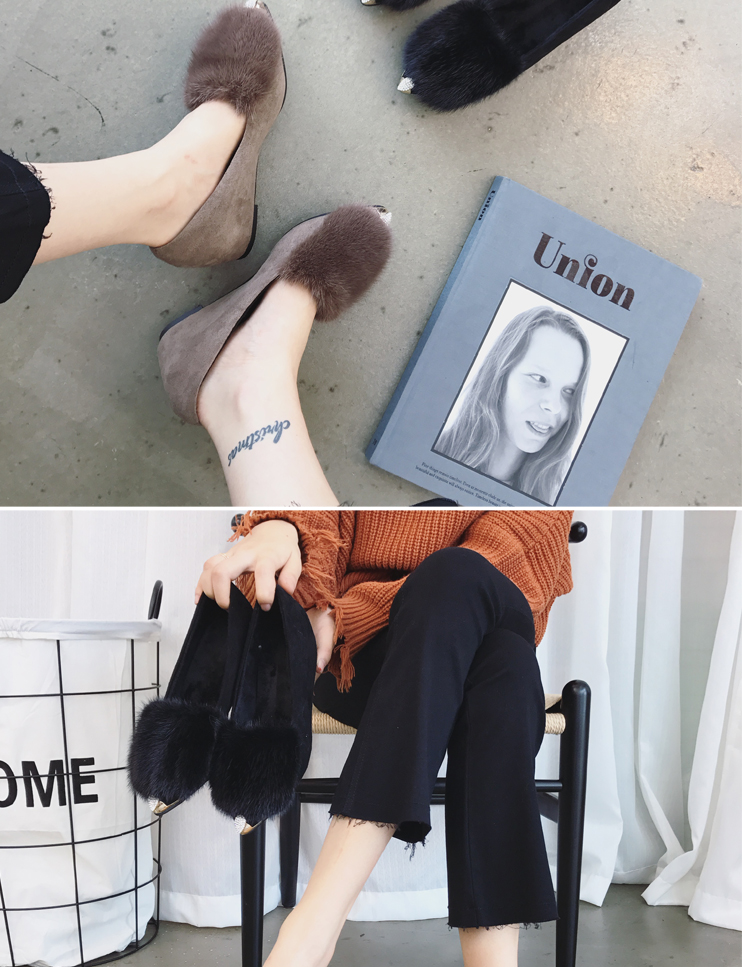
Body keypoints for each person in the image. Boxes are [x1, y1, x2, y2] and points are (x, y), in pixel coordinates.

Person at [196, 508, 574, 967]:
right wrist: (282, 529)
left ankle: (311, 933)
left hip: (407, 623)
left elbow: (507, 560)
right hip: (361, 662)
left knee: (484, 624)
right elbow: (319, 531)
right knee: (503, 662)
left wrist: (350, 614)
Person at [435, 306, 591, 504]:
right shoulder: (432, 454)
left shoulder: (555, 502)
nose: (554, 406)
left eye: (569, 391)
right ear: (500, 374)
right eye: (539, 378)